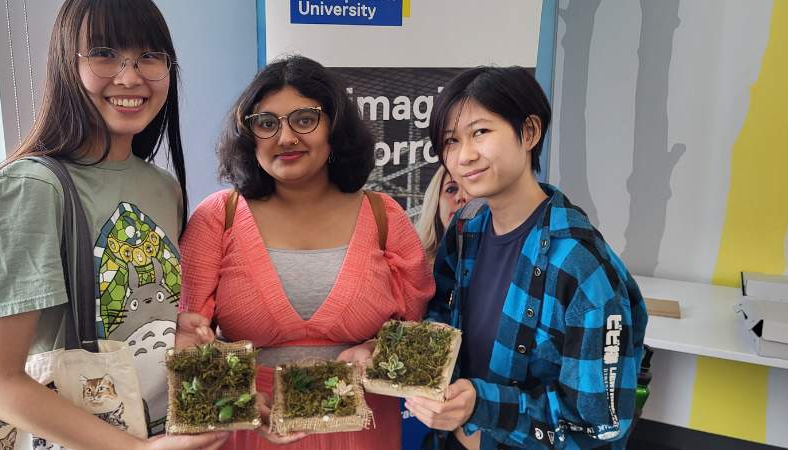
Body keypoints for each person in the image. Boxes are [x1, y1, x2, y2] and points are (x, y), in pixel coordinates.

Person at [0, 1, 227, 448]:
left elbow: (110, 319)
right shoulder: (29, 189)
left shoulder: (162, 187)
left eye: (149, 56)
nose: (130, 77)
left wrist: (167, 328)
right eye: (104, 54)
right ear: (67, 65)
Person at [177, 55, 435, 450]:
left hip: (364, 433)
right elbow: (187, 340)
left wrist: (373, 350)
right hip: (250, 433)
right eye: (267, 123)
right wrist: (237, 400)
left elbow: (418, 330)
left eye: (304, 120)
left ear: (335, 127)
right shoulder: (218, 217)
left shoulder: (385, 217)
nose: (285, 138)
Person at [406, 66, 648, 449]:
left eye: (480, 132)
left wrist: (483, 406)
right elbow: (440, 313)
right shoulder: (466, 228)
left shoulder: (581, 267)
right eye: (451, 141)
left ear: (530, 132)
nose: (464, 156)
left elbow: (598, 425)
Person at [415, 165, 468, 266]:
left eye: (470, 189)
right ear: (436, 203)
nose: (460, 197)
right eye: (451, 189)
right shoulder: (416, 266)